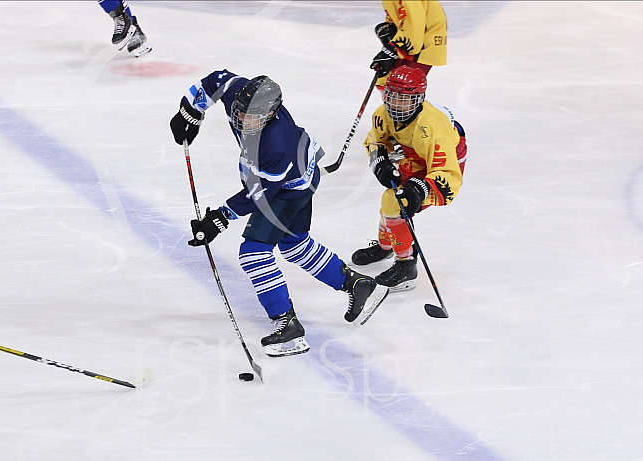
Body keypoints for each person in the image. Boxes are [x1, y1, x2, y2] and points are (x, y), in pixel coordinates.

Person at [169, 70, 389, 357]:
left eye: (252, 118)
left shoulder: (275, 145)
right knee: (294, 244)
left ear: (270, 115)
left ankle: (288, 326)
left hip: (291, 186)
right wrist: (190, 112)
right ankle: (358, 285)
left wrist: (217, 220)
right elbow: (216, 80)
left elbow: (257, 196)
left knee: (254, 252)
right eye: (240, 113)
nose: (243, 121)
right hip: (297, 168)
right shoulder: (239, 96)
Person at [351, 65, 467, 292]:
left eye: (405, 99)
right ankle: (387, 246)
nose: (396, 105)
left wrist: (422, 187)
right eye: (392, 97)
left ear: (419, 98)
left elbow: (448, 175)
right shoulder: (383, 113)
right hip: (414, 153)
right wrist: (380, 161)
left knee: (396, 202)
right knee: (391, 200)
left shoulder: (433, 127)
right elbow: (375, 141)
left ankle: (406, 266)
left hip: (445, 157)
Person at [370, 0, 447, 86]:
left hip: (421, 42)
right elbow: (400, 12)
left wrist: (396, 48)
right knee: (385, 83)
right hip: (415, 39)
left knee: (399, 87)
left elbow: (415, 21)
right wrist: (390, 26)